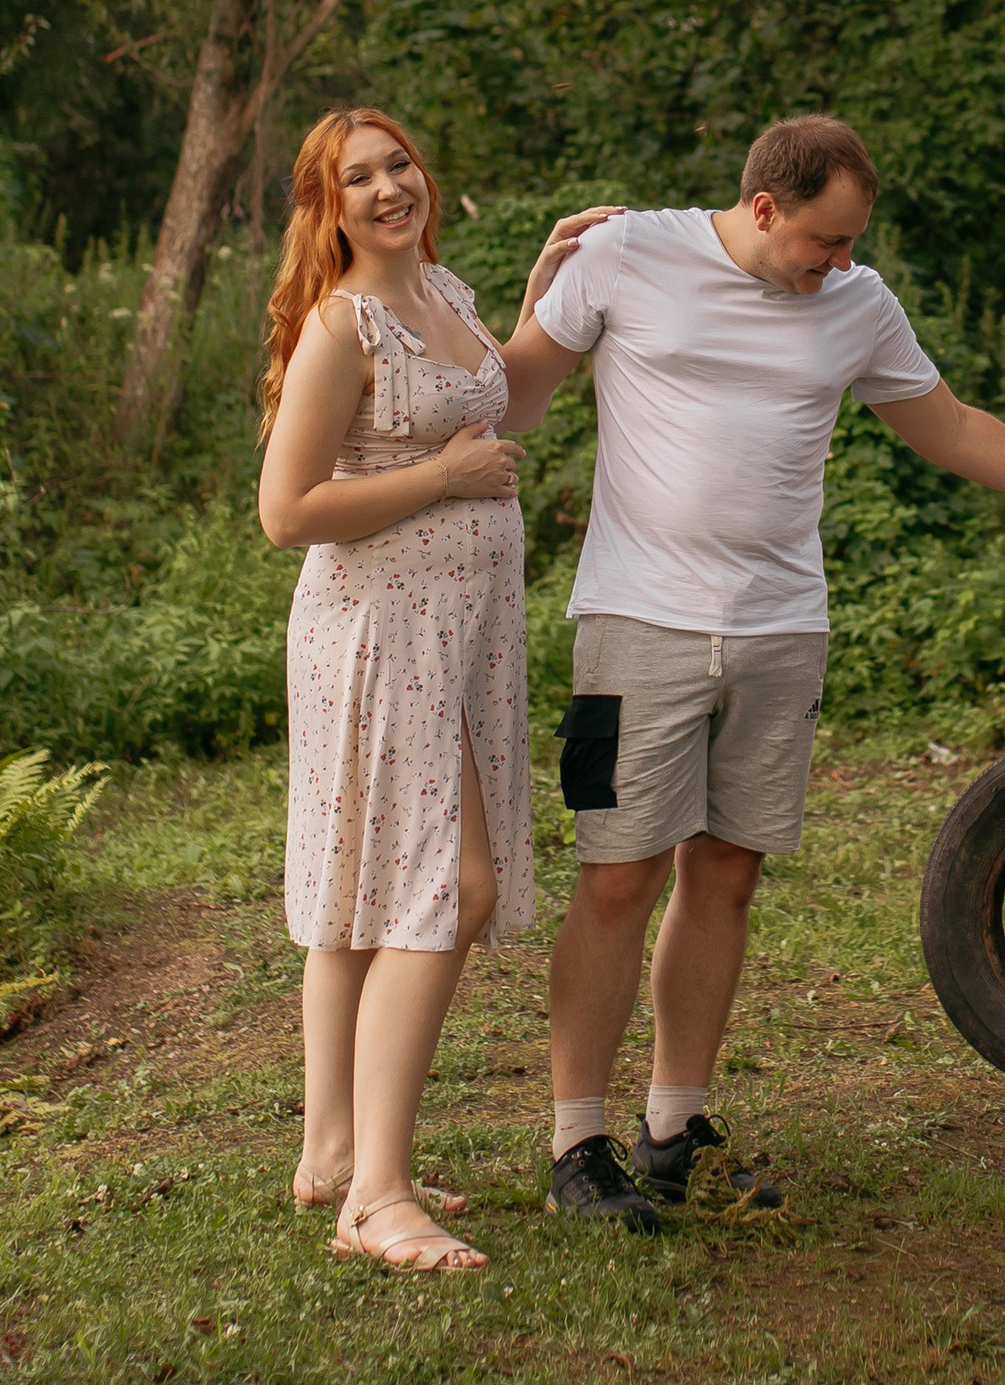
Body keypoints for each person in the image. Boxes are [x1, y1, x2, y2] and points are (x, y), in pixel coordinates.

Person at [495, 113, 1005, 1229]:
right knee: (617, 874)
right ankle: (574, 1145)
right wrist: (538, 290)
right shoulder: (624, 253)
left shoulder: (856, 304)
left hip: (783, 629)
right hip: (634, 623)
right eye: (823, 241)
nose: (838, 262)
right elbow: (514, 399)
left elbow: (952, 425)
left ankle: (673, 1125)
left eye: (850, 244)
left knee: (725, 873)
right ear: (767, 206)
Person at [256, 106, 609, 1273]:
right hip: (378, 633)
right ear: (327, 206)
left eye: (397, 162)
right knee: (445, 885)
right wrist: (440, 477)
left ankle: (329, 1152)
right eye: (356, 178)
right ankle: (379, 1194)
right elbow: (287, 510)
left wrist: (541, 289)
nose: (387, 187)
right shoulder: (341, 324)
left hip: (456, 638)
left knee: (370, 880)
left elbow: (504, 409)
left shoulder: (444, 296)